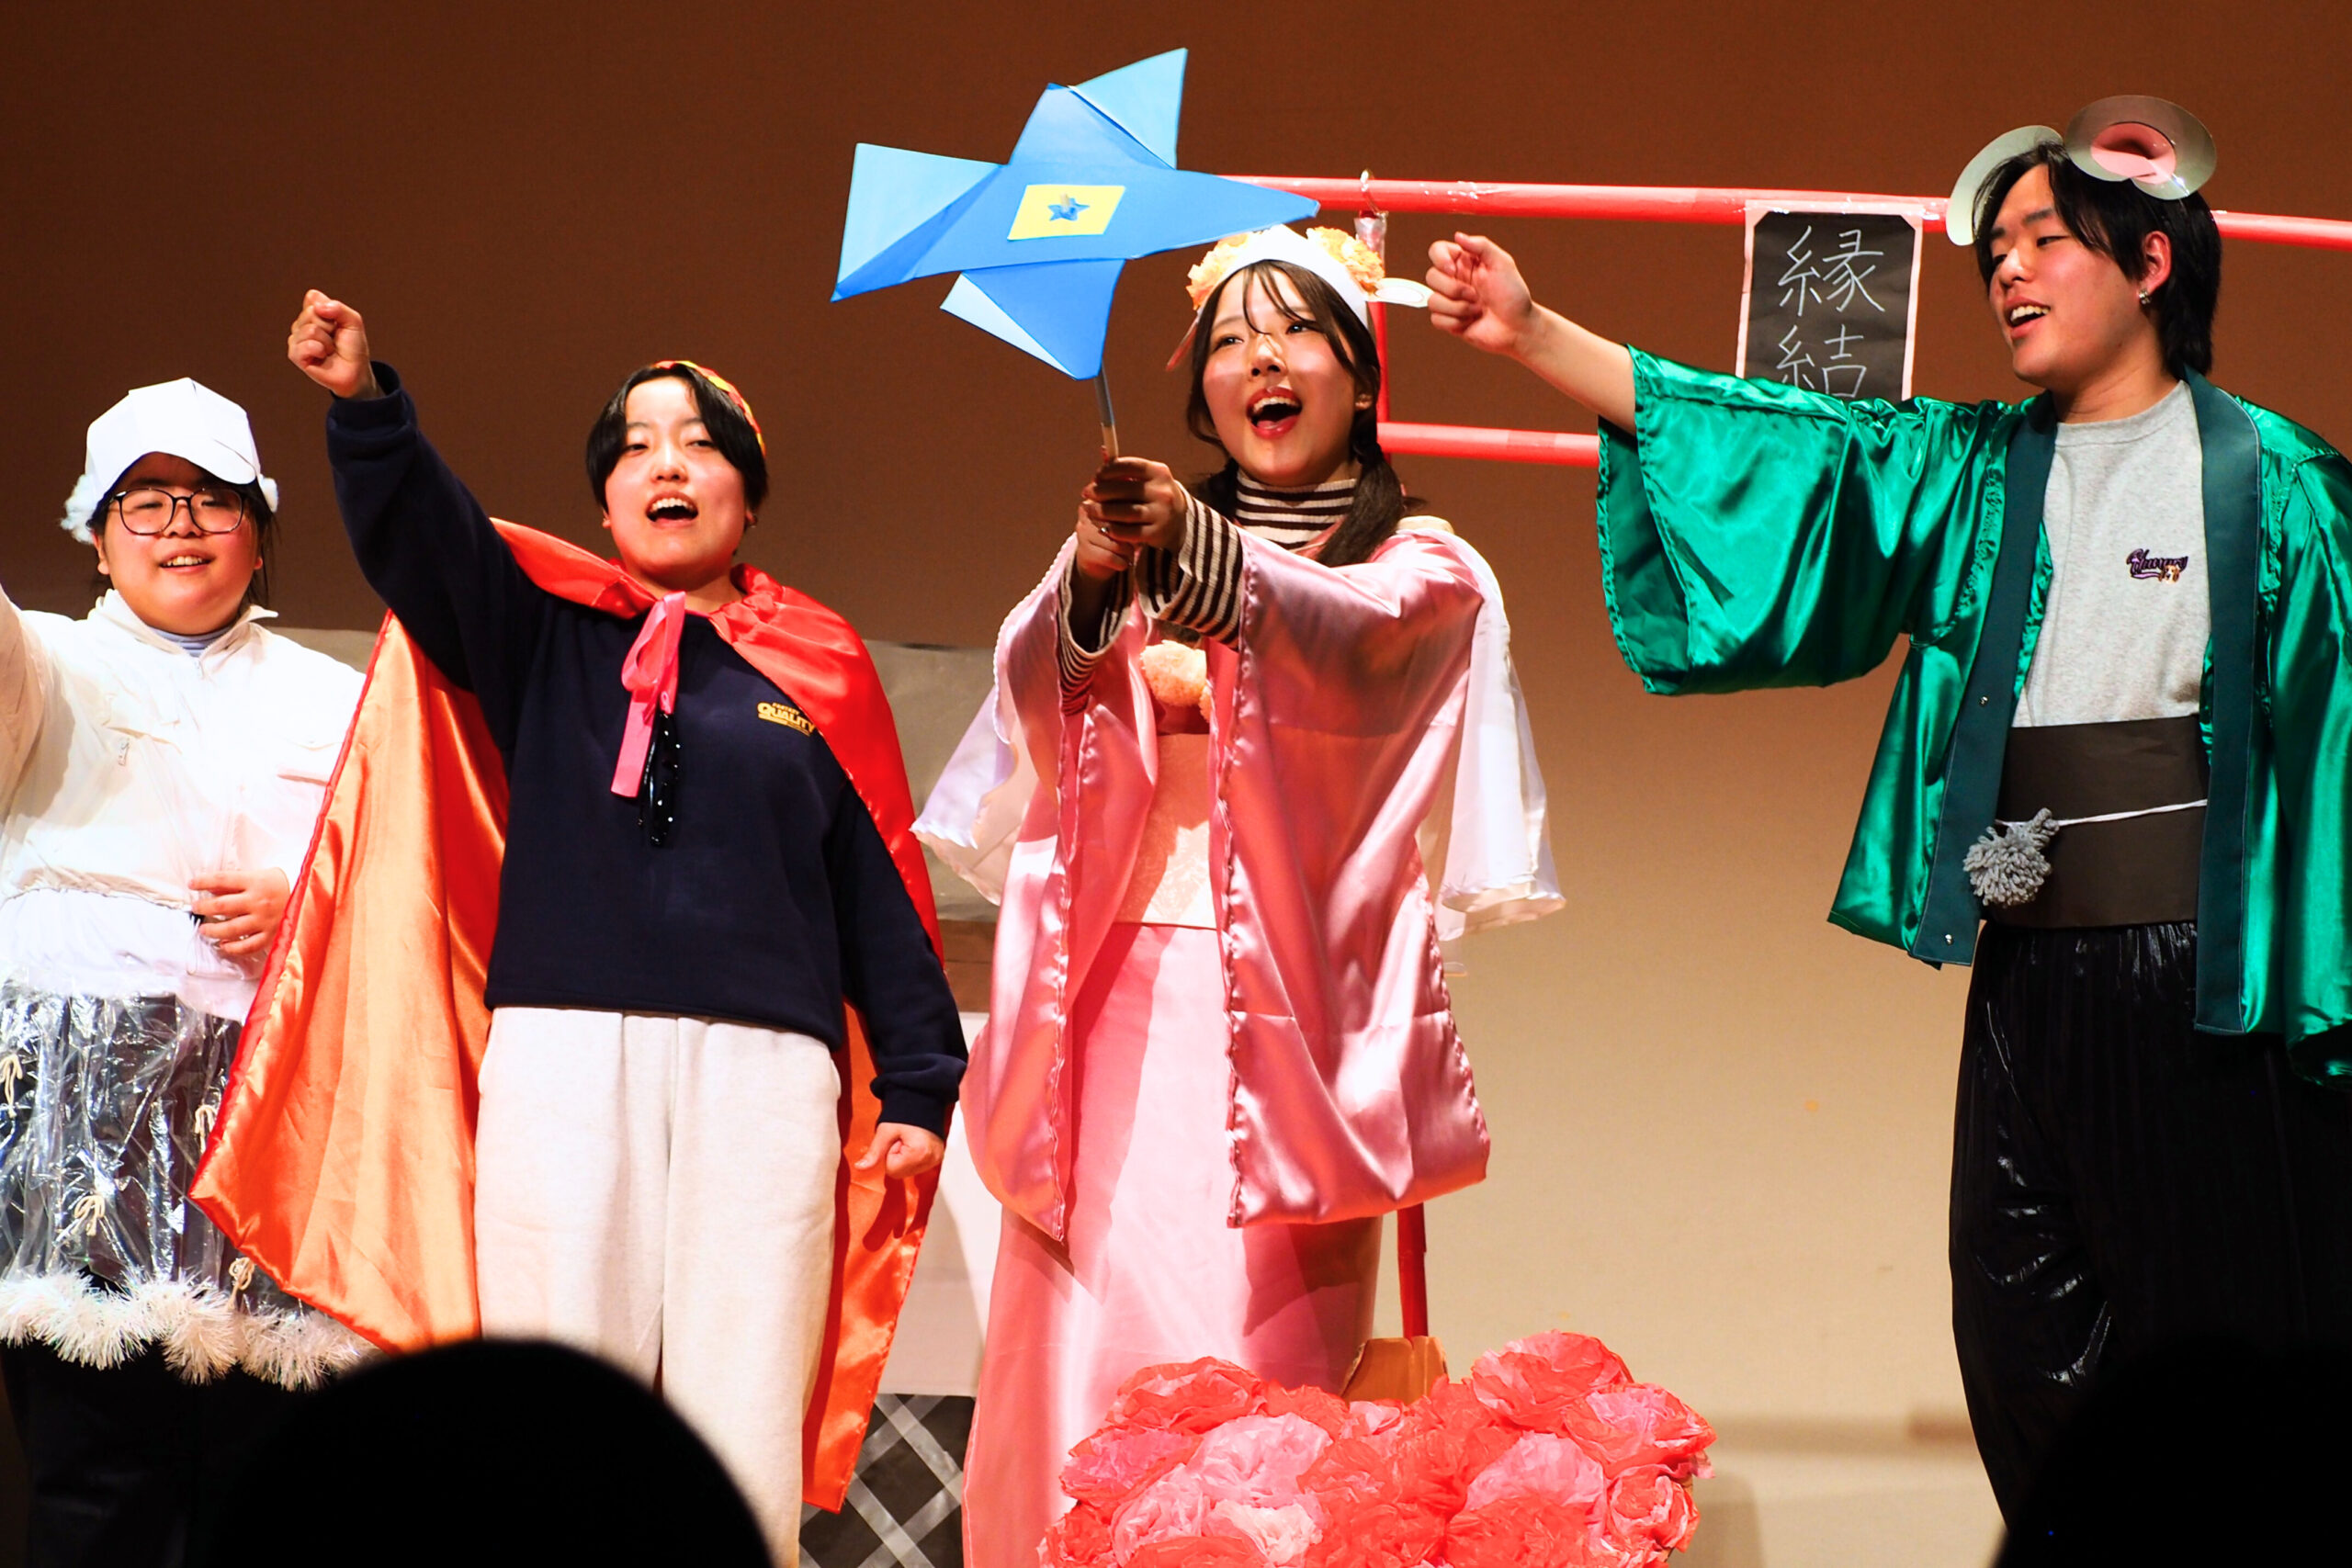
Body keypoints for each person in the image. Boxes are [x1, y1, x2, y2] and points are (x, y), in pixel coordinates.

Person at [1427, 99, 2352, 1518]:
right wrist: (1534, 333)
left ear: (2152, 263)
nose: (2008, 270)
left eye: (2044, 240)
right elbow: (1793, 446)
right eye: (1996, 252)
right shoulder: (1977, 468)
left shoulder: (2282, 485)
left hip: (2204, 978)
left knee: (2212, 1352)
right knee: (2024, 1331)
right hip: (2029, 973)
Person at [196, 296, 968, 1565]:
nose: (669, 464)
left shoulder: (819, 664)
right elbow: (426, 538)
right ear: (606, 502)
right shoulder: (541, 629)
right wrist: (366, 407)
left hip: (764, 1076)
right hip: (560, 1057)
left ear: (747, 497)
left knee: (741, 1397)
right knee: (553, 1397)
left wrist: (923, 1081)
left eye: (701, 445)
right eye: (637, 446)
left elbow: (877, 885)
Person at [918, 224, 1561, 1566]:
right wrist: (1091, 584)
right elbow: (1039, 697)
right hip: (1113, 993)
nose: (1262, 359)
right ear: (1202, 391)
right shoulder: (1136, 541)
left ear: (1360, 375)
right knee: (1077, 1330)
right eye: (1229, 340)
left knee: (1248, 1354)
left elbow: (1355, 638)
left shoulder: (1421, 560)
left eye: (1297, 331)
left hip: (1293, 1030)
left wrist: (1199, 567)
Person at [0, 379, 366, 1565]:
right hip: (86, 1122)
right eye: (146, 502)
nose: (181, 526)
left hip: (275, 1118)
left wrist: (312, 905)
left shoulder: (345, 696)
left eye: (213, 499)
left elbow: (419, 889)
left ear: (260, 533)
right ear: (96, 536)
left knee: (274, 1487)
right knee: (97, 1485)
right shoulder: (41, 660)